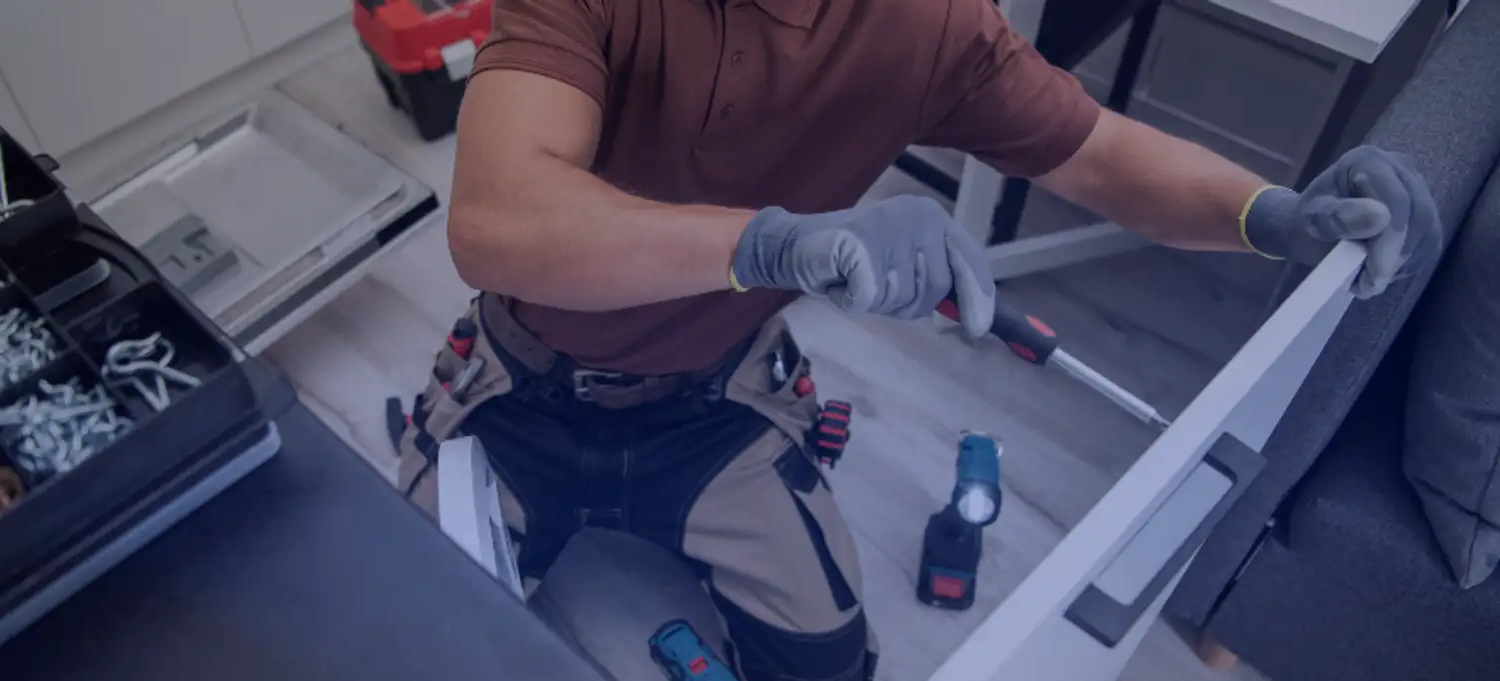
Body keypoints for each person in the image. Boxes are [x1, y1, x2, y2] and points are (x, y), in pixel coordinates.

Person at [397, 0, 1440, 679]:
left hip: (711, 404)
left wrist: (1267, 215)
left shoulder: (929, 24)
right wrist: (774, 244)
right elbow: (496, 221)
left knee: (827, 660)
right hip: (522, 386)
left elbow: (1100, 154)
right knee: (397, 623)